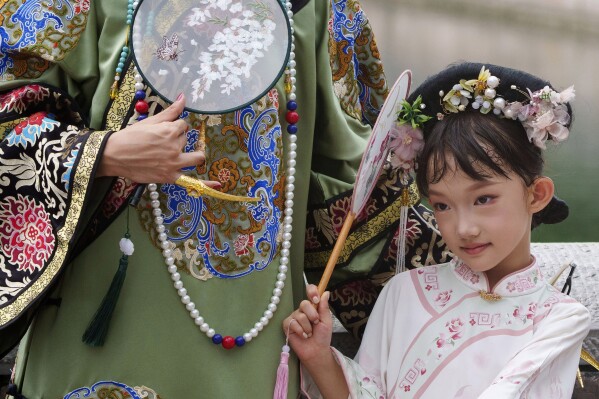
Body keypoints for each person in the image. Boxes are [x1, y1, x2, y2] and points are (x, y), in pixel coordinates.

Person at [0, 0, 389, 397]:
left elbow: (357, 176)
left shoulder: (317, 8)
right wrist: (105, 153)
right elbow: (8, 114)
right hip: (98, 324)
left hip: (249, 342)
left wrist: (443, 301)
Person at [283, 62, 591, 398]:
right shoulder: (404, 292)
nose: (464, 228)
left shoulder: (558, 320)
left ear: (537, 195)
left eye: (484, 198)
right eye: (442, 205)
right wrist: (318, 356)